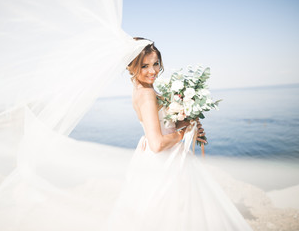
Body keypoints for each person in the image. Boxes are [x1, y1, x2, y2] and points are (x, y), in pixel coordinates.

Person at [106, 38, 253, 231]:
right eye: (145, 66)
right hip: (165, 160)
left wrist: (186, 120)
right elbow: (157, 144)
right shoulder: (147, 94)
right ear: (132, 66)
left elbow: (160, 124)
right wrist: (185, 132)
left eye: (156, 64)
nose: (153, 71)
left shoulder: (141, 89)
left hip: (153, 159)